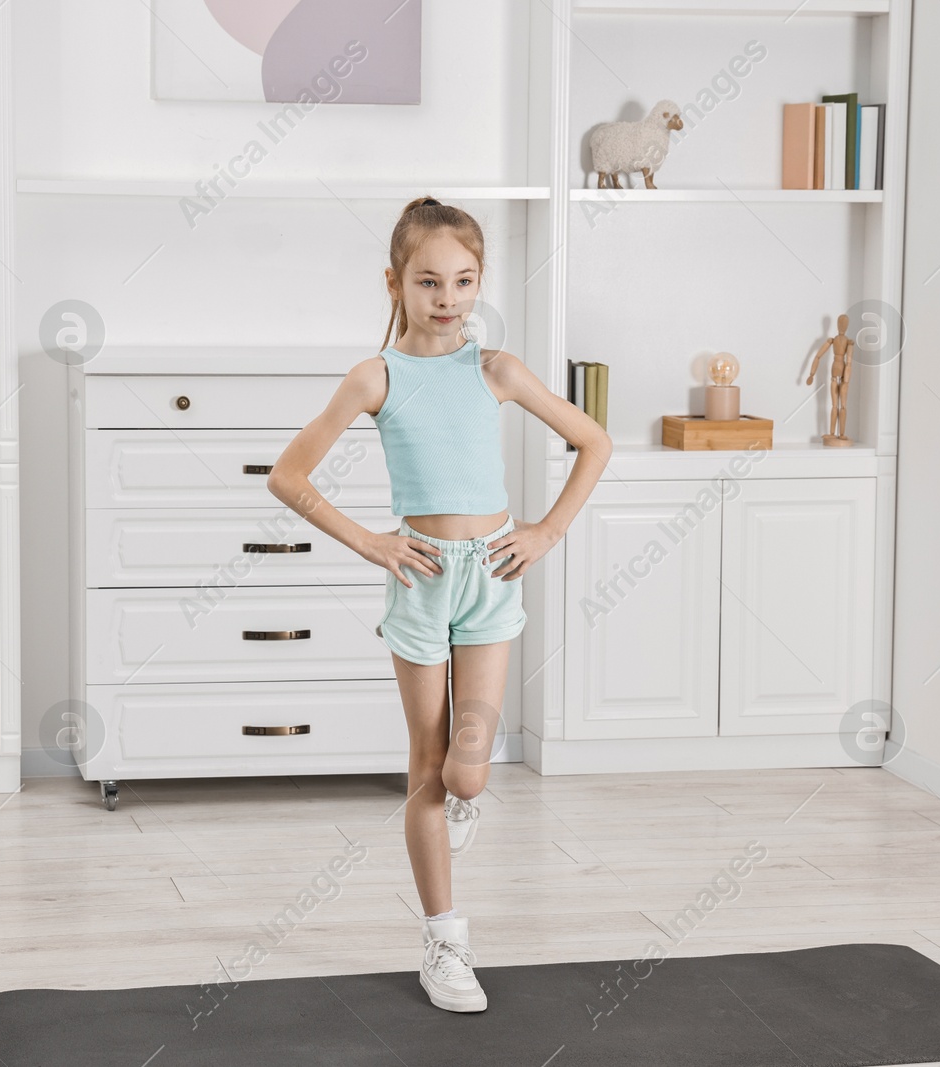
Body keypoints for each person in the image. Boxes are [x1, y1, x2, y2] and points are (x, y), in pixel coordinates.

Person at [268, 196, 611, 1013]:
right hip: (421, 580)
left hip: (490, 574)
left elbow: (594, 441)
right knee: (426, 765)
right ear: (396, 282)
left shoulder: (495, 369)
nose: (448, 297)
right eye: (429, 281)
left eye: (463, 280)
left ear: (478, 283)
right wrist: (373, 542)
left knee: (469, 769)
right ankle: (445, 940)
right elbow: (288, 475)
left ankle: (463, 798)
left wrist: (546, 531)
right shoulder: (376, 377)